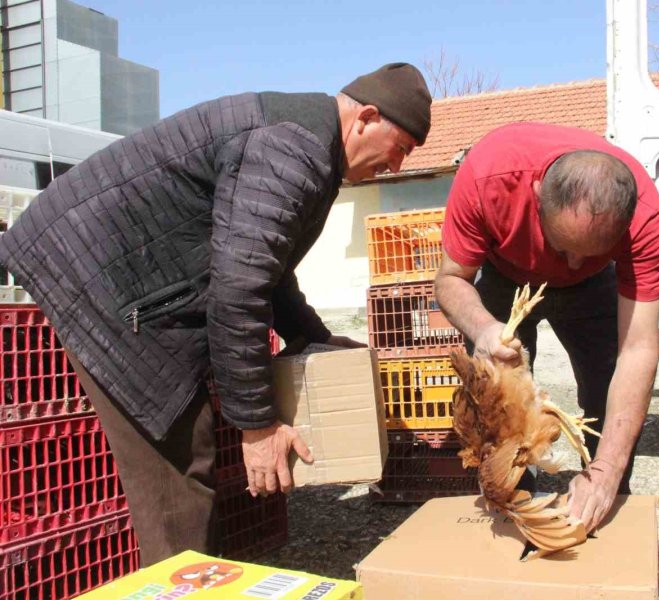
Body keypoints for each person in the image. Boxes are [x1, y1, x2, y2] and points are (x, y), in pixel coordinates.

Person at [0, 62, 432, 565]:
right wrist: (258, 427)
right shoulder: (291, 149)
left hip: (131, 274)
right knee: (179, 459)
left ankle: (200, 574)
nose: (397, 167)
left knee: (190, 442)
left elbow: (266, 268)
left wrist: (312, 337)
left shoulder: (308, 146)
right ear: (367, 118)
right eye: (401, 148)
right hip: (101, 276)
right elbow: (238, 291)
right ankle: (182, 585)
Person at [434, 122, 659, 533]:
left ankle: (603, 500)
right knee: (501, 403)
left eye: (590, 251)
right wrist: (484, 329)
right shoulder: (488, 176)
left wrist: (608, 470)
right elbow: (451, 280)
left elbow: (638, 349)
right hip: (507, 276)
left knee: (604, 387)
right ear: (538, 194)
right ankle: (514, 506)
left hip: (595, 286)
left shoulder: (644, 215)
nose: (571, 264)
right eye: (563, 246)